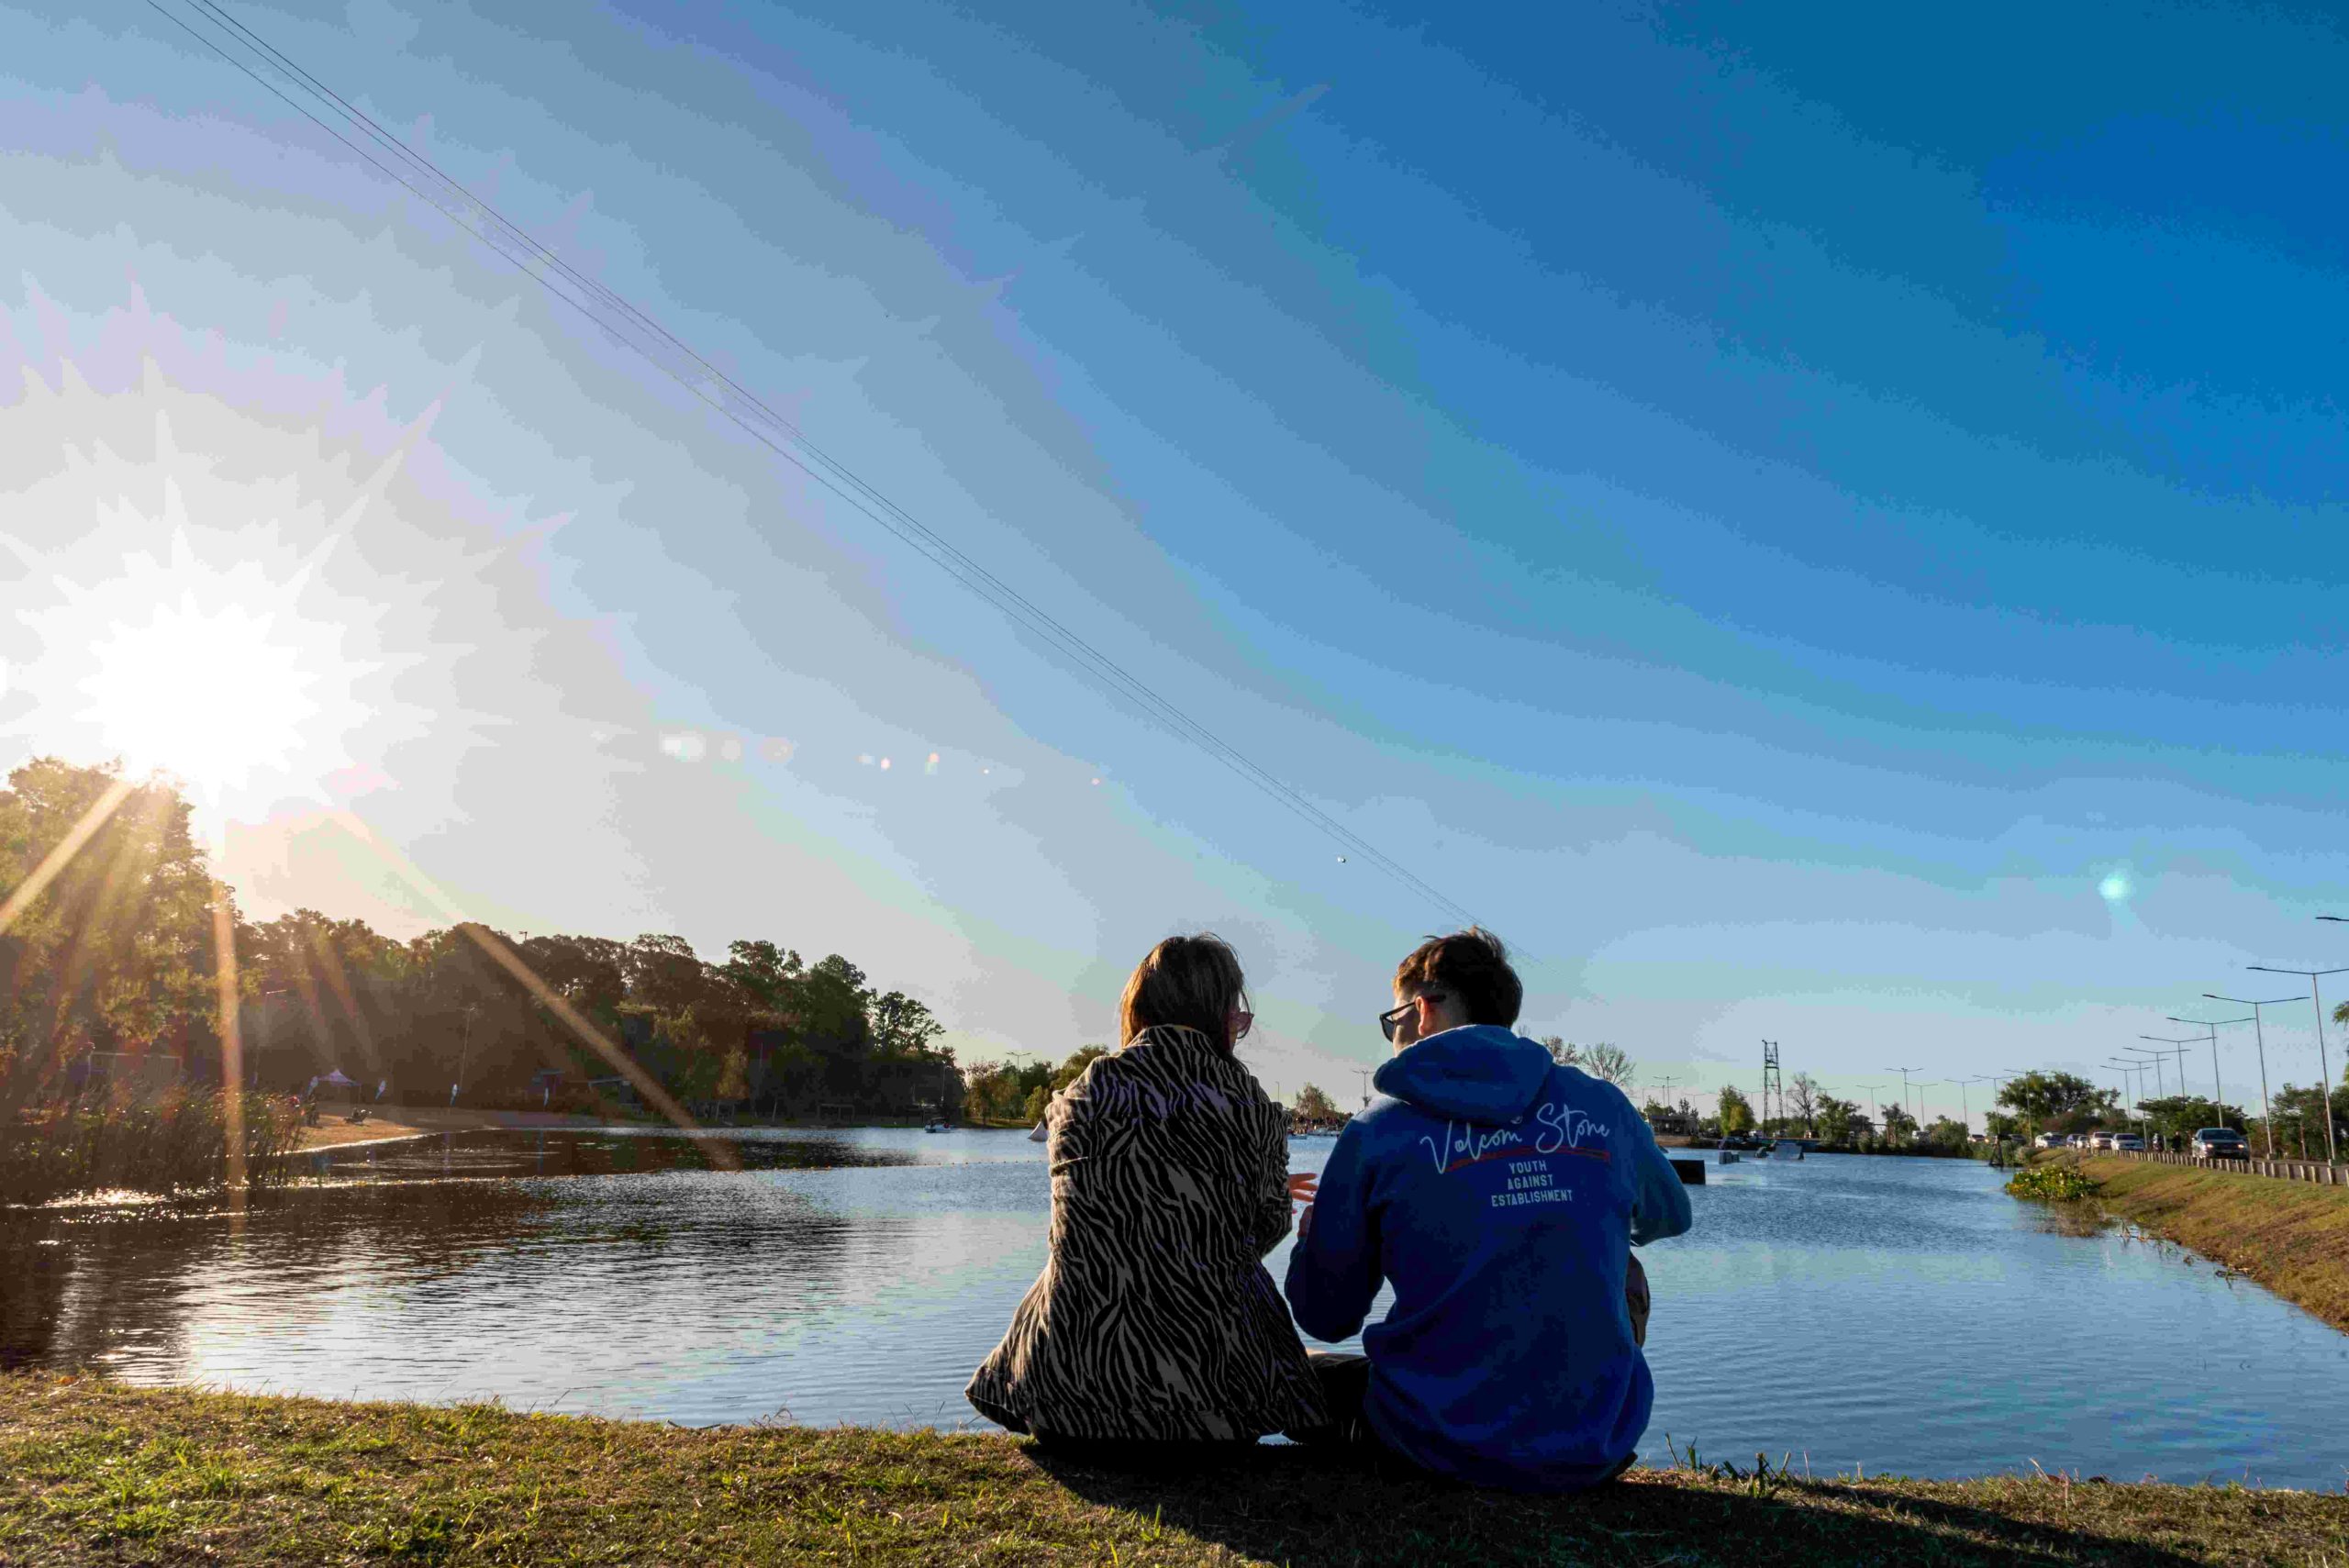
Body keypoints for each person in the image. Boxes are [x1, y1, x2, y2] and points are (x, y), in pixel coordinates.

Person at [1284, 929, 1692, 1491]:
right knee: (1625, 1266)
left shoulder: (1378, 1130)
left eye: (1392, 1019)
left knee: (1295, 1369)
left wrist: (1314, 1241)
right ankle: (1570, 1408)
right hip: (1594, 1446)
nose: (1393, 1035)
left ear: (1422, 1011)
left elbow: (1326, 1318)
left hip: (1433, 1443)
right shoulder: (1603, 1105)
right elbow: (1670, 1216)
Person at [966, 933, 1327, 1451]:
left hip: (1068, 1406)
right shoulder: (1249, 1104)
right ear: (1219, 1013)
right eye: (1237, 1017)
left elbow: (1089, 1219)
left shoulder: (1080, 1096)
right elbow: (1260, 1234)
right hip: (1212, 1411)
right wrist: (1257, 1192)